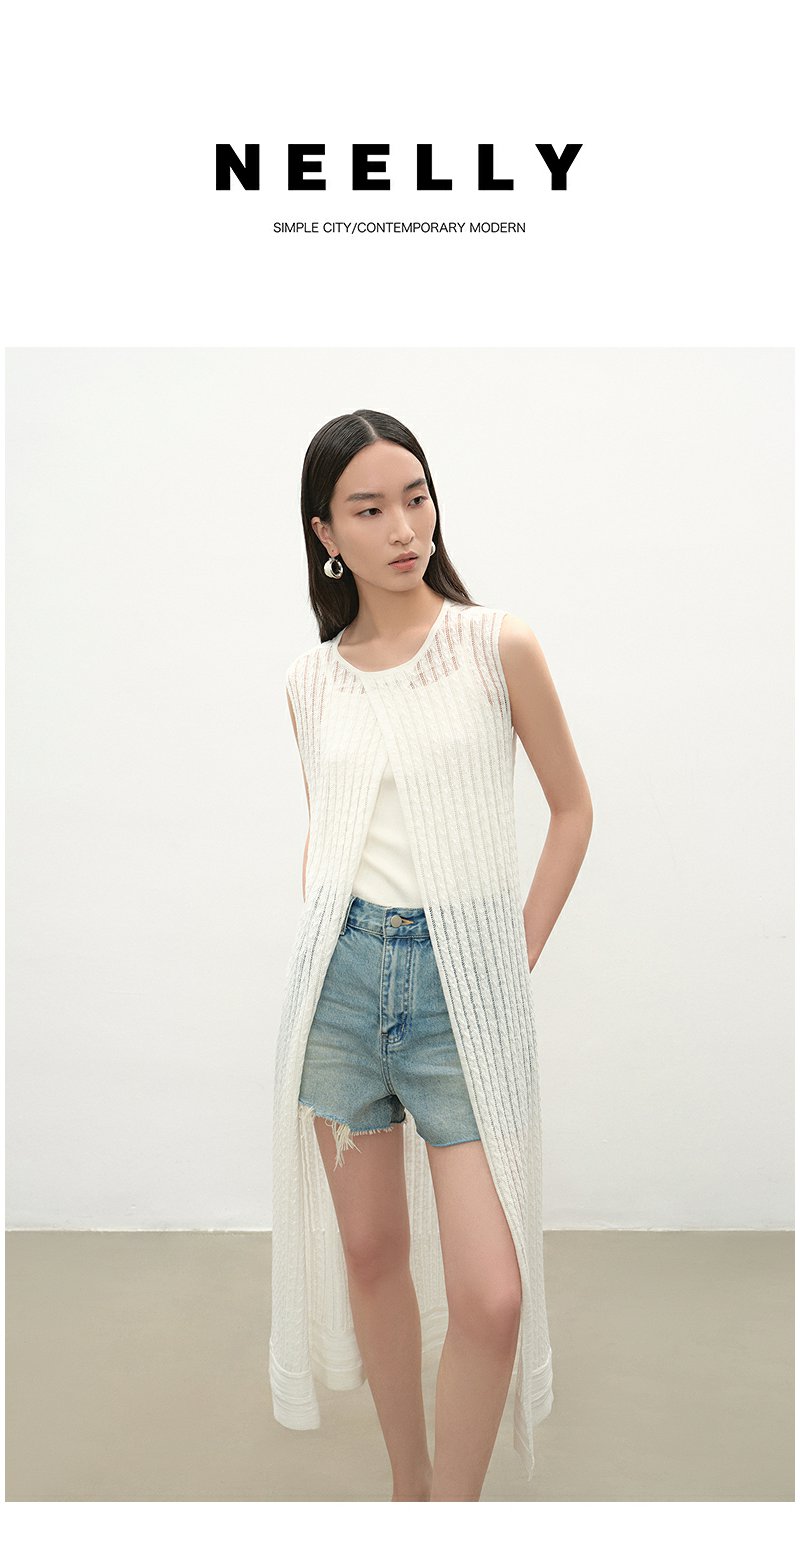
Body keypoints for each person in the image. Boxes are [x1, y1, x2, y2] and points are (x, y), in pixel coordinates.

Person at [270, 408, 593, 1502]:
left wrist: (509, 956)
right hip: (340, 988)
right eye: (369, 509)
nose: (404, 527)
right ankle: (409, 1492)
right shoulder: (311, 682)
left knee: (491, 1295)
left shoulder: (494, 645)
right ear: (327, 534)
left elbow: (572, 810)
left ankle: (451, 1509)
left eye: (415, 497)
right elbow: (329, 830)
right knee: (370, 1257)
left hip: (464, 991)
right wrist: (330, 932)